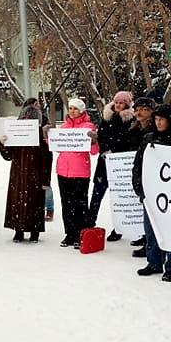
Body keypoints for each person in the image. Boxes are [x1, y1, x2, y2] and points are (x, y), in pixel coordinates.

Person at [132, 104, 171, 282]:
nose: (158, 123)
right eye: (156, 119)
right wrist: (138, 186)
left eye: (162, 120)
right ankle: (154, 262)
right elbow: (138, 165)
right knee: (151, 230)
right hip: (151, 193)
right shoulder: (148, 139)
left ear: (170, 121)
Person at [0, 105, 54, 243]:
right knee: (17, 203)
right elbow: (8, 156)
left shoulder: (41, 138)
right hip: (17, 176)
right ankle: (18, 231)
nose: (27, 119)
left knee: (35, 203)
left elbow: (47, 160)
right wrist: (3, 144)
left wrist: (45, 181)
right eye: (25, 117)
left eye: (30, 118)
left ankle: (35, 231)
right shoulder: (15, 134)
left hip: (35, 177)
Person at [86, 90, 135, 241]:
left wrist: (115, 151)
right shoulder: (106, 118)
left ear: (127, 104)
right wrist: (102, 145)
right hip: (103, 164)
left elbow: (128, 141)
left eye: (122, 103)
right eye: (117, 102)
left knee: (118, 199)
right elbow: (102, 136)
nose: (119, 105)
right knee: (96, 197)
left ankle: (119, 228)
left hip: (120, 166)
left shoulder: (130, 121)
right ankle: (89, 223)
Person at [56, 98, 99, 248]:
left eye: (75, 108)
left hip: (80, 171)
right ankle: (69, 233)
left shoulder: (88, 127)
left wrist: (94, 141)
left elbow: (93, 152)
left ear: (81, 110)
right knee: (66, 204)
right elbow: (58, 148)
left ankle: (80, 233)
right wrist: (48, 137)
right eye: (70, 108)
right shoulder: (63, 126)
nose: (72, 111)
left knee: (79, 204)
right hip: (63, 171)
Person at [127, 97, 157, 253]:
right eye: (136, 109)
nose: (139, 112)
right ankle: (146, 237)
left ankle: (151, 244)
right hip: (138, 170)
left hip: (151, 172)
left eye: (143, 109)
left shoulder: (154, 129)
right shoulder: (134, 127)